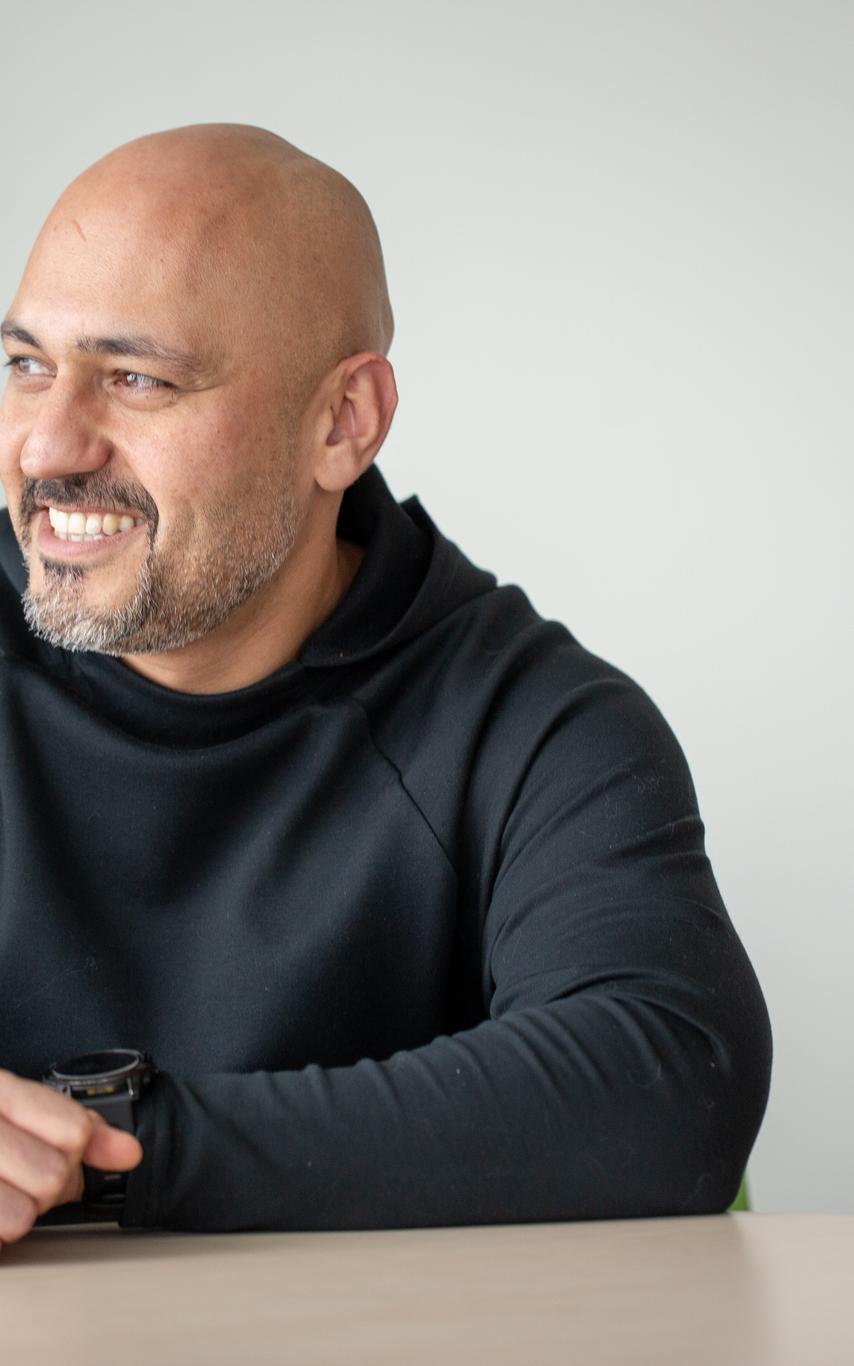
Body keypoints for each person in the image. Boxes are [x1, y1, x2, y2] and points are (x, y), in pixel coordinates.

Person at [0, 124, 771, 1246]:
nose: (45, 444)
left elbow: (665, 1083)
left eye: (136, 377)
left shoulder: (529, 720)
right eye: (25, 363)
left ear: (341, 422)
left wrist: (104, 1153)